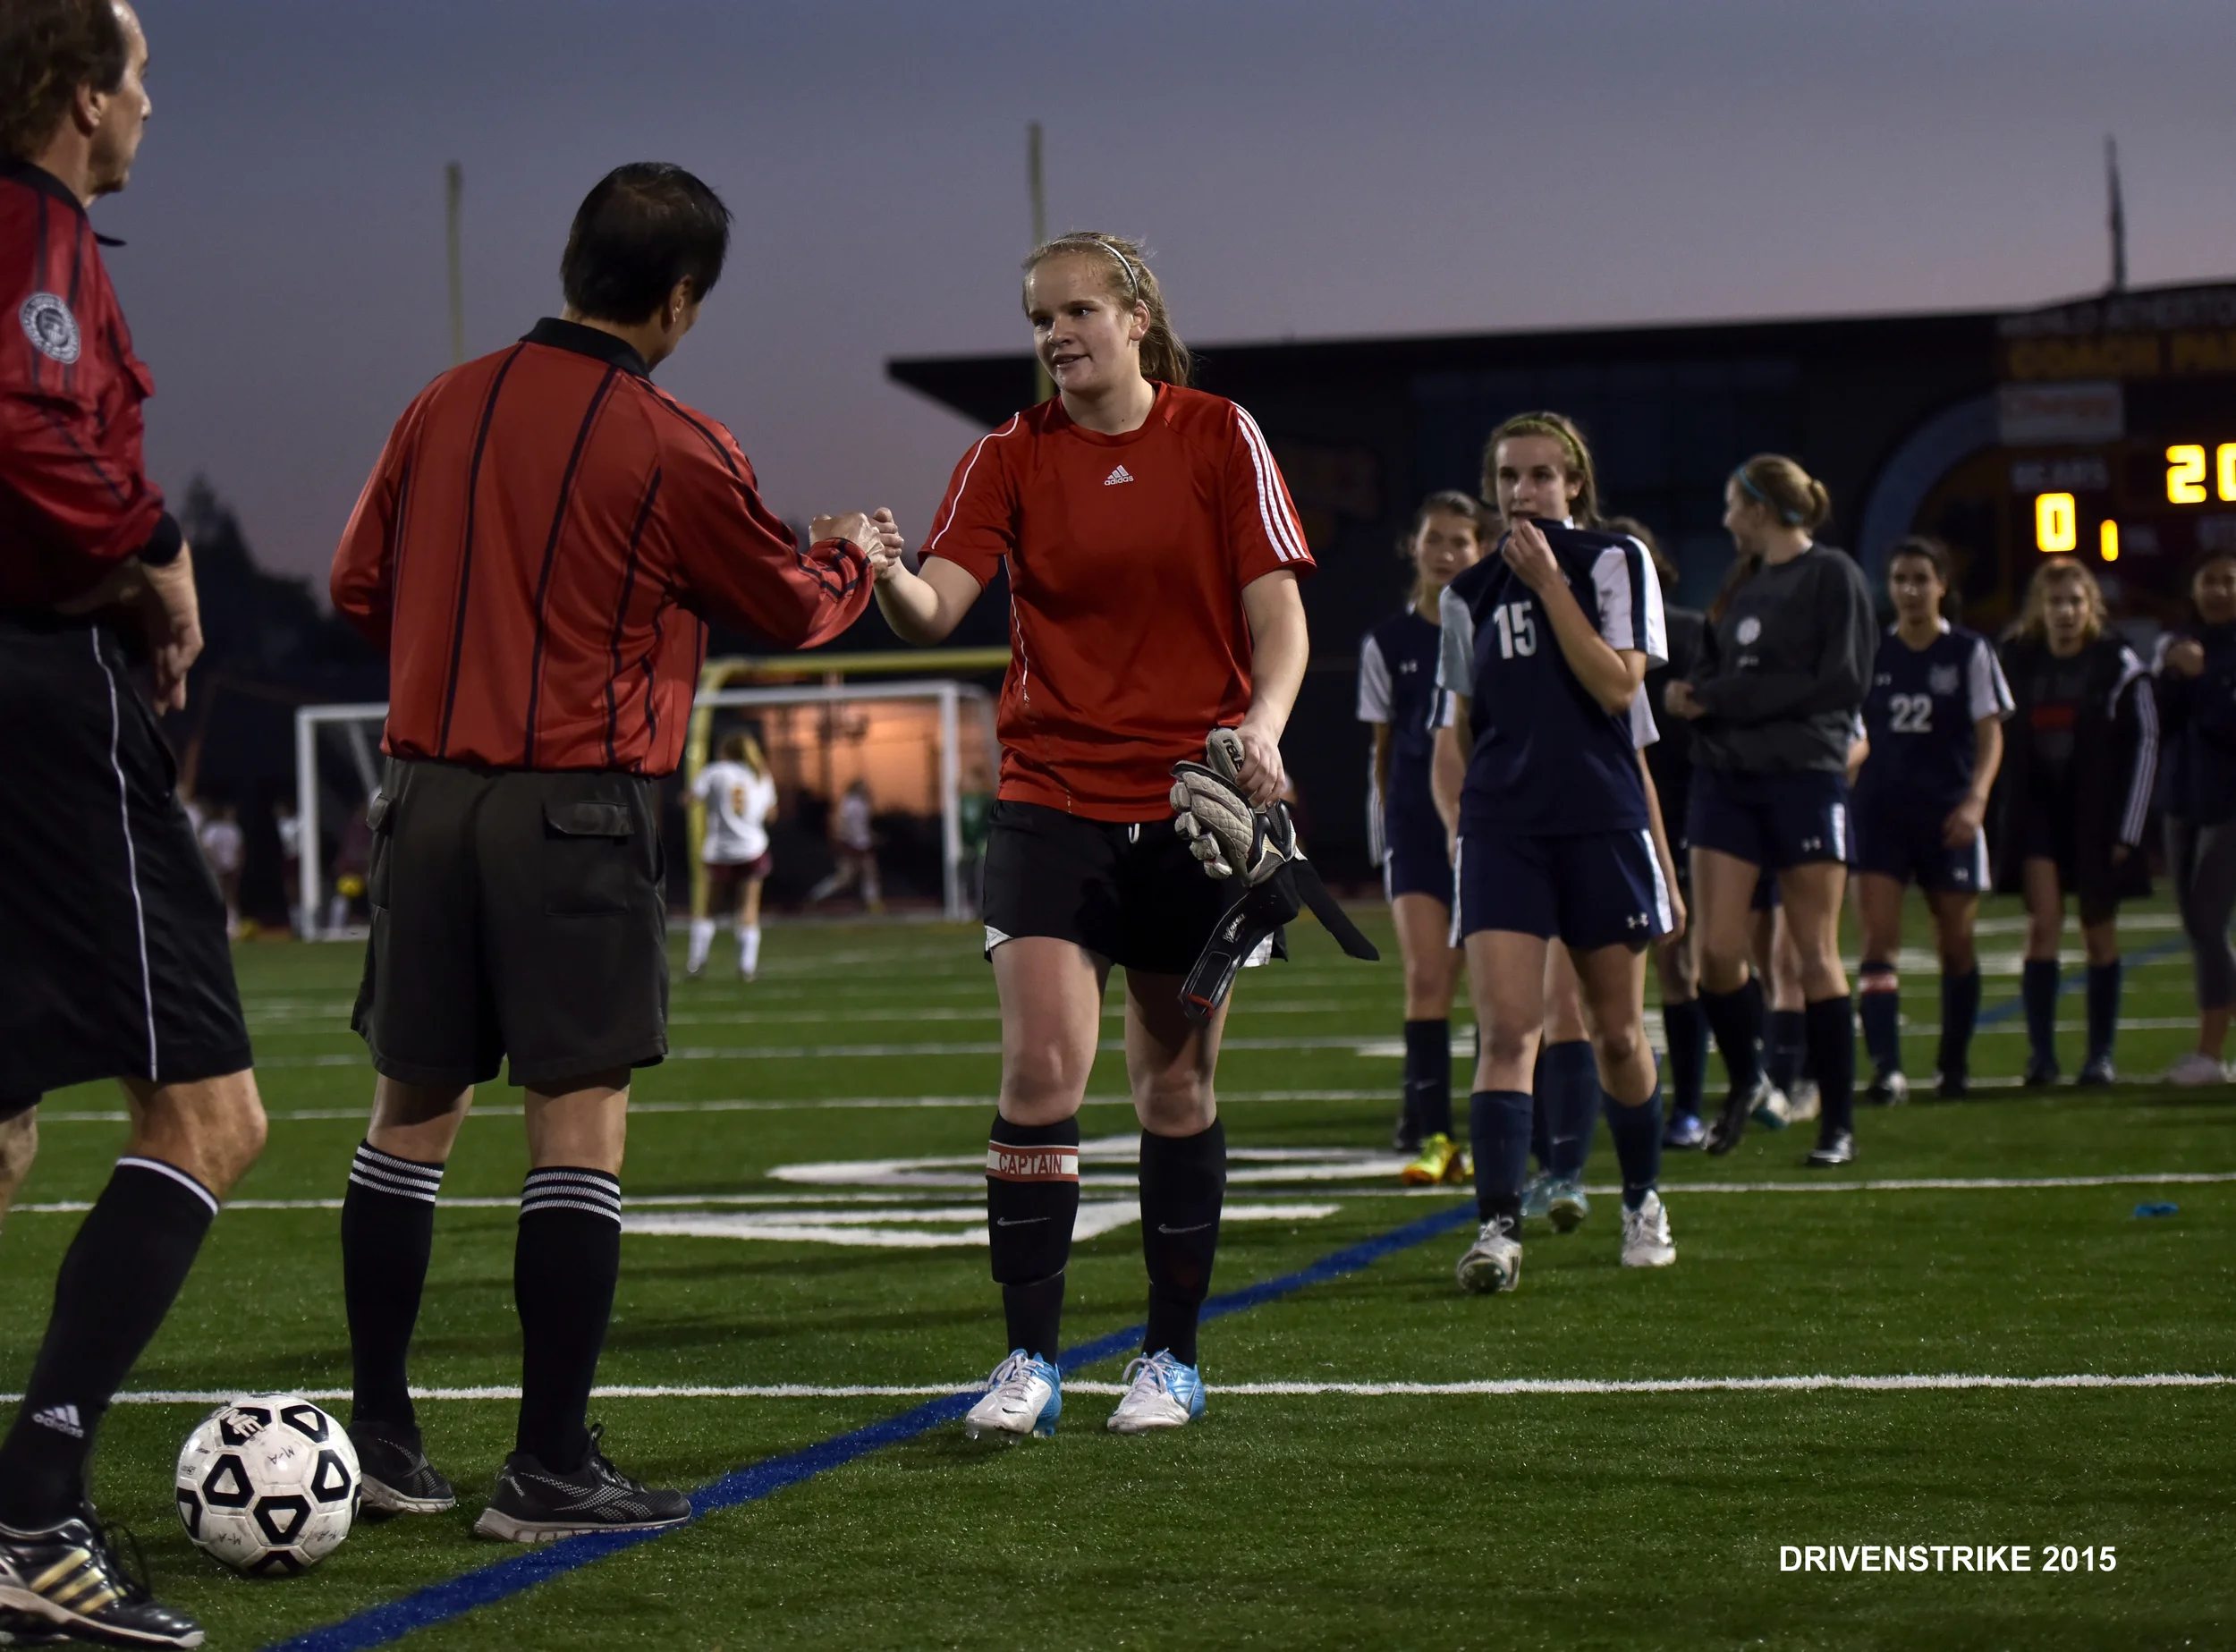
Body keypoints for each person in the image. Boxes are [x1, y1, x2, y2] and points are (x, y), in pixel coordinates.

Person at [327, 162, 882, 1539]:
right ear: (680, 299)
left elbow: (354, 583)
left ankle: (384, 1439)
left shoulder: (439, 402)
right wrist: (856, 555)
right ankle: (549, 1463)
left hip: (421, 795)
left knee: (409, 1117)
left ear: (573, 259)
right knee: (578, 1127)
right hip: (574, 803)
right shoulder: (674, 440)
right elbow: (788, 603)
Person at [865, 231, 1312, 1437]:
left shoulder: (1221, 433)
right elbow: (934, 607)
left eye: (1074, 311)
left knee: (1175, 1083)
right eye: (1037, 319)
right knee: (1038, 1070)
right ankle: (1028, 1359)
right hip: (1050, 794)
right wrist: (886, 570)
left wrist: (1262, 727)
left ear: (1137, 317)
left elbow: (1281, 615)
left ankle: (1168, 1356)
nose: (1055, 335)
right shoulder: (1007, 455)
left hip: (1193, 808)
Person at [0, 6, 268, 1644]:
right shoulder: (27, 227)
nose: (154, 107)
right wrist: (158, 550)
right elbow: (28, 429)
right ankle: (30, 1516)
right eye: (145, 79)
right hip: (42, 694)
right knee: (211, 1115)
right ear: (85, 95)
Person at [1431, 411, 1682, 1295]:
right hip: (1505, 828)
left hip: (1599, 820)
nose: (1523, 492)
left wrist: (1548, 587)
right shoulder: (1465, 595)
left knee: (1616, 1030)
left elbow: (1618, 683)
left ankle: (1641, 1199)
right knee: (1505, 1031)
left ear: (1573, 483)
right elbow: (1461, 726)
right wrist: (1466, 818)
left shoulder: (1614, 560)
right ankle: (1497, 1224)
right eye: (1509, 477)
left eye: (1542, 475)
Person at [1664, 453, 1875, 1166]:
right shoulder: (1740, 583)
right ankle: (1750, 1078)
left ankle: (1836, 1122)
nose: (1725, 521)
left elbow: (1840, 680)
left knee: (1814, 952)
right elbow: (1720, 669)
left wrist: (1724, 700)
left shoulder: (1832, 575)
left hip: (1803, 777)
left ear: (1759, 507)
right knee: (1715, 954)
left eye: (1732, 505)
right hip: (1727, 778)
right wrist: (1693, 692)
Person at [1850, 538, 2012, 1099]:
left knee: (1956, 942)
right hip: (1880, 814)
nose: (1911, 590)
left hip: (1948, 814)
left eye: (1921, 578)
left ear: (1943, 584)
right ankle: (1887, 1070)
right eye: (1900, 580)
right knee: (1878, 939)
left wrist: (1975, 801)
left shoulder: (1968, 651)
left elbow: (1991, 732)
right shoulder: (1872, 652)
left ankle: (1953, 1065)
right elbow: (1852, 733)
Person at [1992, 559, 2155, 1086]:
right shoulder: (2016, 659)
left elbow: (2143, 745)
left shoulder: (2116, 663)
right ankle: (2041, 1056)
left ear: (2091, 608)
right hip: (2037, 809)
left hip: (2094, 815)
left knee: (2098, 932)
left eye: (2075, 602)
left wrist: (2128, 831)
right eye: (2055, 602)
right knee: (2042, 924)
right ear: (2039, 608)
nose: (2064, 613)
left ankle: (2099, 1055)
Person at [1359, 490, 1486, 1169]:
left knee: (1498, 988)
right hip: (1414, 824)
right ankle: (1432, 1126)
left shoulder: (1496, 626)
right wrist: (1388, 833)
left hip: (1489, 826)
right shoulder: (1389, 641)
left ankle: (1518, 1123)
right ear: (1414, 546)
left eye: (1460, 541)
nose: (1446, 553)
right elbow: (1383, 748)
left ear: (1483, 549)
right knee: (1427, 978)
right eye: (1435, 539)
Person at [1623, 521, 1713, 1149]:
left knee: (1685, 961)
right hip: (1612, 808)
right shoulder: (1583, 629)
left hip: (1686, 805)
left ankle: (1690, 1102)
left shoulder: (1688, 630)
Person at [2156, 548, 2236, 1085]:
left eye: (2230, 581)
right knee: (2197, 927)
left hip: (2231, 803)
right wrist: (2172, 678)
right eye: (2210, 581)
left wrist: (2202, 678)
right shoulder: (2180, 645)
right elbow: (2159, 725)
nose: (2219, 591)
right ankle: (2207, 1051)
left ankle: (2210, 1053)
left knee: (2209, 922)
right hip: (2183, 800)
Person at [688, 731, 777, 979]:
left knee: (708, 908)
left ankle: (697, 964)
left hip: (719, 849)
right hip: (752, 848)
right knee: (748, 908)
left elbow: (691, 798)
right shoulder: (761, 774)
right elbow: (771, 814)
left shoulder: (714, 772)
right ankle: (746, 967)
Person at [808, 776, 882, 910]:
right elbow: (840, 823)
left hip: (862, 844)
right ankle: (815, 896)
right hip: (851, 844)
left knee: (869, 873)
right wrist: (844, 841)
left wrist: (872, 837)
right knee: (844, 877)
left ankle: (872, 902)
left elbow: (863, 827)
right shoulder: (848, 803)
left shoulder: (863, 803)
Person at [199, 802, 244, 937]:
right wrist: (215, 864)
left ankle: (233, 922)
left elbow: (240, 847)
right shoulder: (212, 829)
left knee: (231, 895)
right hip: (217, 868)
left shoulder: (232, 828)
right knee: (219, 895)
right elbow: (206, 848)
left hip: (231, 866)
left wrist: (238, 864)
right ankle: (218, 923)